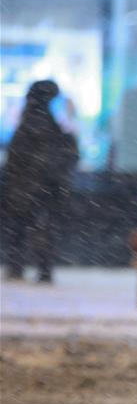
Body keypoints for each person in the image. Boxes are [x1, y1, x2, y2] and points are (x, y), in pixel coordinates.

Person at [1, 80, 80, 283]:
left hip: (26, 188)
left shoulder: (30, 124)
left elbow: (16, 161)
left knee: (22, 229)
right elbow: (64, 157)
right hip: (41, 188)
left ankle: (20, 268)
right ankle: (40, 269)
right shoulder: (50, 127)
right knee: (41, 230)